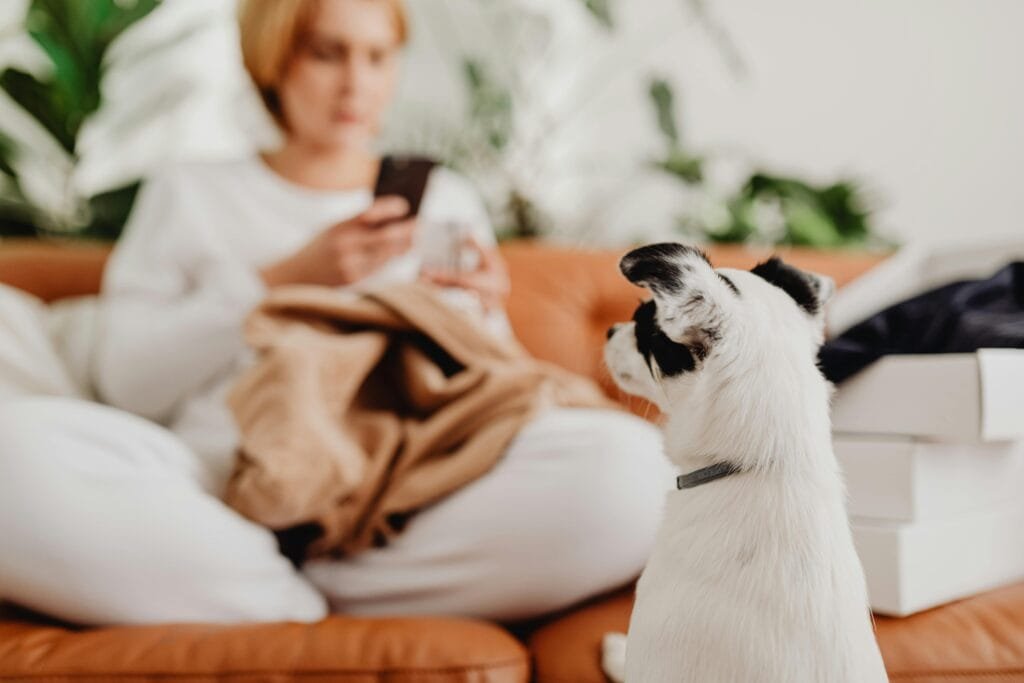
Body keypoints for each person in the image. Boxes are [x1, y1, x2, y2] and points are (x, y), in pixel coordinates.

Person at [0, 0, 670, 625]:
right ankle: (268, 583)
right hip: (213, 487)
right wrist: (287, 280)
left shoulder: (445, 200)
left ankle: (273, 590)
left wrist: (478, 316)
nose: (356, 84)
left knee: (636, 472)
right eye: (328, 54)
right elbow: (127, 384)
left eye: (377, 57)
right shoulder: (191, 191)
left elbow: (489, 397)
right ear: (274, 61)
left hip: (401, 489)